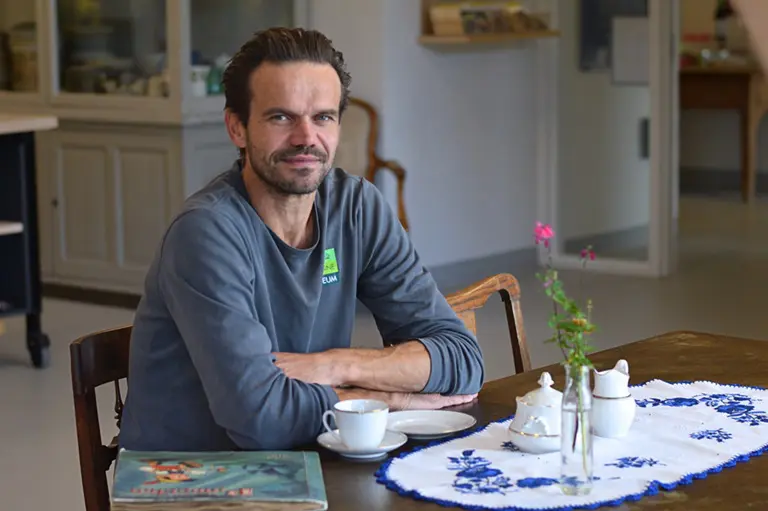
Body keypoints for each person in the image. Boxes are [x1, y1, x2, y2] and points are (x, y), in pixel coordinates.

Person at [119, 27, 485, 452]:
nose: (306, 138)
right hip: (189, 480)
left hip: (304, 456)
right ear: (237, 128)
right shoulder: (206, 232)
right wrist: (393, 399)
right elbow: (262, 418)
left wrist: (332, 365)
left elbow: (462, 358)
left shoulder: (356, 207)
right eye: (281, 117)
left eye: (323, 117)